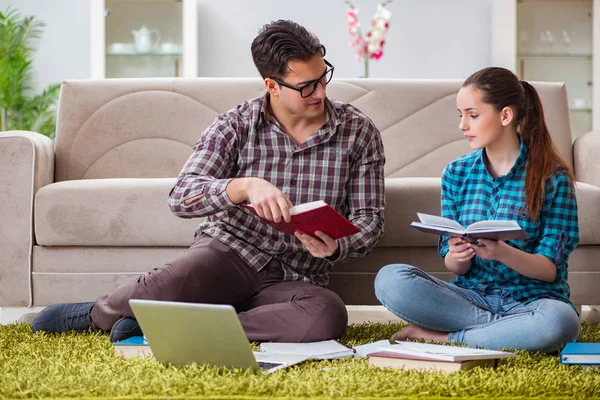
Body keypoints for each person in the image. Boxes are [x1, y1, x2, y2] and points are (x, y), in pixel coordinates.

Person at [32, 20, 385, 343]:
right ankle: (98, 314)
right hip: (228, 254)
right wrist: (243, 186)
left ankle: (188, 322)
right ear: (271, 86)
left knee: (327, 316)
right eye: (306, 87)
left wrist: (339, 247)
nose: (320, 93)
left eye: (323, 78)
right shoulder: (235, 124)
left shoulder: (359, 132)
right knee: (161, 285)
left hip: (297, 276)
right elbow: (181, 195)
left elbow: (370, 219)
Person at [374, 66, 580, 353]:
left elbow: (550, 271)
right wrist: (458, 255)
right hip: (471, 298)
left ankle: (445, 339)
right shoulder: (456, 173)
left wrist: (502, 252)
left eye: (473, 115)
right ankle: (506, 331)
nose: (462, 125)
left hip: (534, 300)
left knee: (561, 322)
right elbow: (453, 264)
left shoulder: (552, 177)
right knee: (390, 281)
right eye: (461, 116)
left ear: (505, 115)